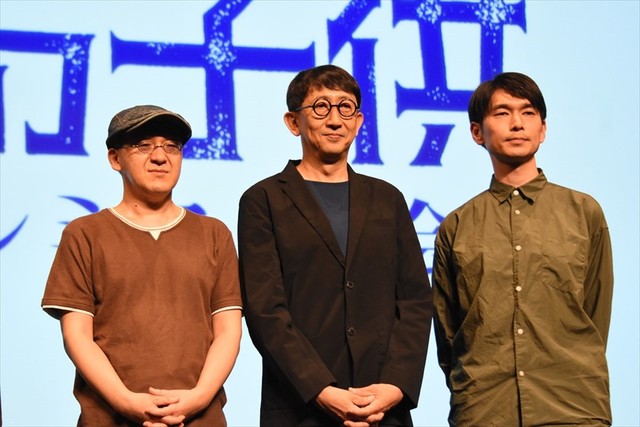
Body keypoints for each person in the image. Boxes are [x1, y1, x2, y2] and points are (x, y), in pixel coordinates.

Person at [237, 64, 433, 427]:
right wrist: (322, 390)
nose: (334, 120)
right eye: (320, 107)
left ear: (358, 122)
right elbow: (266, 311)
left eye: (345, 108)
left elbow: (415, 301)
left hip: (383, 408)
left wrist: (394, 386)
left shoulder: (387, 199)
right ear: (293, 122)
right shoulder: (262, 200)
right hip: (300, 408)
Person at [41, 105, 243, 426]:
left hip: (200, 418)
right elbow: (77, 335)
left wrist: (198, 397)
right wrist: (127, 402)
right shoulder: (85, 233)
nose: (160, 157)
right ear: (115, 159)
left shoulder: (214, 234)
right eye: (143, 145)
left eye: (171, 146)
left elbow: (228, 331)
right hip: (109, 419)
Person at [432, 72, 614, 426]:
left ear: (543, 129)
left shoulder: (583, 212)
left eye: (528, 113)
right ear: (477, 132)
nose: (517, 123)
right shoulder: (457, 225)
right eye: (502, 113)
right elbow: (449, 333)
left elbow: (595, 314)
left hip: (573, 406)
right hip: (485, 409)